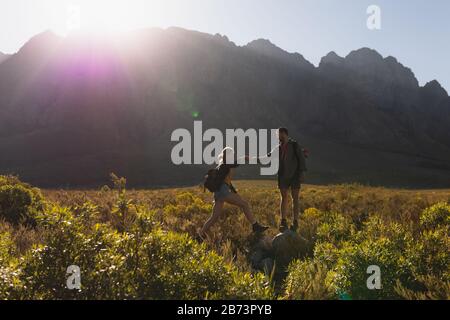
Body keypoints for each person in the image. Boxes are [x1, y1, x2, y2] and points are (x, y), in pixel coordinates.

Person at [199, 147, 269, 239]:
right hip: (223, 192)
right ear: (229, 155)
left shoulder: (222, 165)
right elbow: (237, 163)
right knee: (245, 205)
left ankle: (200, 235)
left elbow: (226, 182)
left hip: (218, 193)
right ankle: (255, 226)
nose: (234, 155)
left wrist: (235, 192)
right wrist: (247, 158)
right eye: (232, 154)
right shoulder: (227, 164)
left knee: (214, 217)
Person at [258, 127, 307, 232]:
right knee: (283, 198)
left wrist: (302, 172)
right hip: (282, 176)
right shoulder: (278, 148)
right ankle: (283, 221)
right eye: (277, 135)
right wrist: (254, 159)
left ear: (285, 134)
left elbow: (301, 159)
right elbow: (268, 157)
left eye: (279, 135)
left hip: (294, 176)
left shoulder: (294, 145)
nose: (278, 137)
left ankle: (295, 222)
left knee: (295, 198)